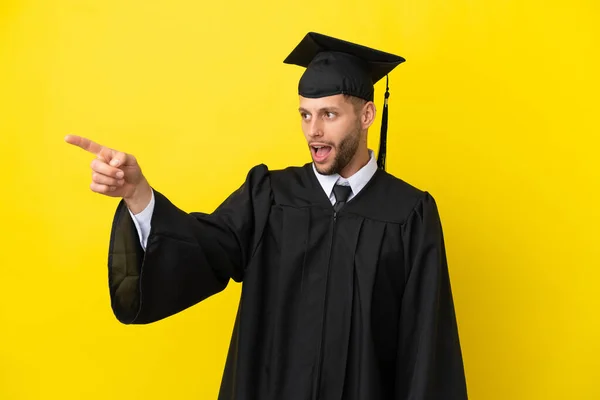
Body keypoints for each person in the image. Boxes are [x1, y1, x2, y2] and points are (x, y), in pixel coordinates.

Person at [66, 32, 468, 400]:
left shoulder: (408, 213)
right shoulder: (269, 197)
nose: (314, 131)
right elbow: (203, 247)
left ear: (366, 116)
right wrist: (138, 195)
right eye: (305, 115)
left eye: (329, 115)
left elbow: (426, 346)